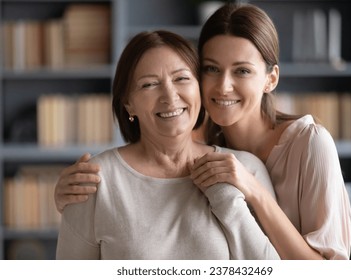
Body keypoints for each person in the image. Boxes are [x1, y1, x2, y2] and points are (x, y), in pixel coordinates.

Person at [55, 3, 351, 260]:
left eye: (242, 70)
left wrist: (252, 190)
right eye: (211, 69)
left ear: (271, 78)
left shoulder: (307, 145)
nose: (223, 86)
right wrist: (71, 204)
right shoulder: (205, 139)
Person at [55, 29, 279, 260]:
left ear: (199, 89)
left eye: (181, 79)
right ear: (128, 104)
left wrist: (228, 201)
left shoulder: (245, 169)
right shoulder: (93, 181)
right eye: (149, 84)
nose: (170, 96)